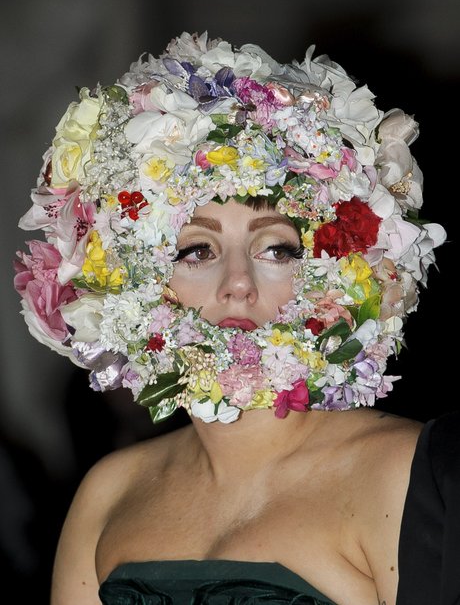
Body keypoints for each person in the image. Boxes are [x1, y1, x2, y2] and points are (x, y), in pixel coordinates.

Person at [14, 32, 447, 604]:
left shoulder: (405, 471)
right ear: (135, 281)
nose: (238, 284)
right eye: (197, 250)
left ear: (340, 272)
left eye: (277, 249)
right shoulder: (109, 492)